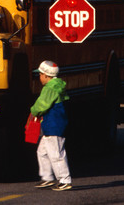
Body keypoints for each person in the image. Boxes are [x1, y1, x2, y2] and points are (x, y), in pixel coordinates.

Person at [30, 60, 72, 191]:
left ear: (46, 76)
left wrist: (33, 111)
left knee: (56, 153)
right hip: (51, 125)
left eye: (40, 75)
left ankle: (64, 180)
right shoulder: (56, 85)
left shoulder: (49, 88)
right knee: (42, 152)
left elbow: (42, 105)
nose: (39, 77)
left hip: (54, 126)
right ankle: (47, 178)